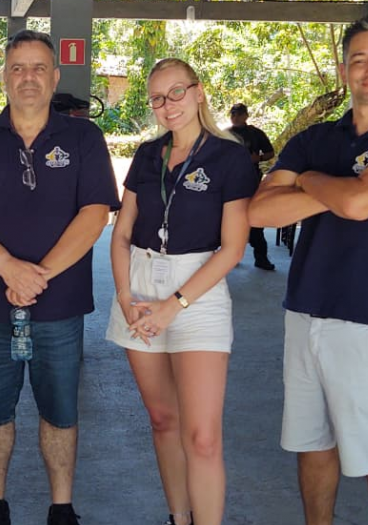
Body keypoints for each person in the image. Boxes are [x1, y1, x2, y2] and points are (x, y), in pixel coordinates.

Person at [248, 16, 368, 525]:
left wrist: (311, 183)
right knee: (312, 448)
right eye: (359, 59)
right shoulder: (318, 137)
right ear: (343, 69)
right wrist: (341, 189)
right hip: (305, 312)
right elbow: (259, 212)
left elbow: (358, 205)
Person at [0, 30, 119, 525]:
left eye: (39, 68)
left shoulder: (83, 136)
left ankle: (61, 507)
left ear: (55, 76)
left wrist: (37, 277)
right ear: (3, 76)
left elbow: (94, 213)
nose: (28, 78)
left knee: (60, 410)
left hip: (59, 304)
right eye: (18, 68)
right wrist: (8, 268)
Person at [105, 58, 256, 525]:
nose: (167, 106)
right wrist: (126, 296)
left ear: (198, 92)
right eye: (156, 98)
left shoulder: (229, 157)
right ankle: (178, 517)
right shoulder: (148, 154)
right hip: (139, 283)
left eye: (176, 93)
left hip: (199, 290)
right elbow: (121, 232)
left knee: (203, 436)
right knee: (163, 421)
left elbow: (232, 249)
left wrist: (174, 306)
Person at [227, 102, 276, 270]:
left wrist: (259, 159)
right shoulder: (224, 135)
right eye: (233, 114)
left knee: (254, 220)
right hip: (229, 182)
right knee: (229, 221)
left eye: (239, 114)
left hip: (251, 181)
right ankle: (230, 257)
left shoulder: (255, 134)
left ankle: (261, 257)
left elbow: (270, 152)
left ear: (246, 116)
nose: (235, 117)